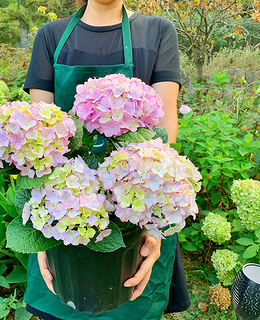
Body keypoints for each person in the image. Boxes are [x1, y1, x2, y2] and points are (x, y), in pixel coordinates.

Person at [23, 0, 190, 319]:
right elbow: (39, 142)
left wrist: (155, 228)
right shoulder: (51, 37)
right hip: (65, 209)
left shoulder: (157, 32)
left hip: (137, 214)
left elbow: (164, 137)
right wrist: (42, 228)